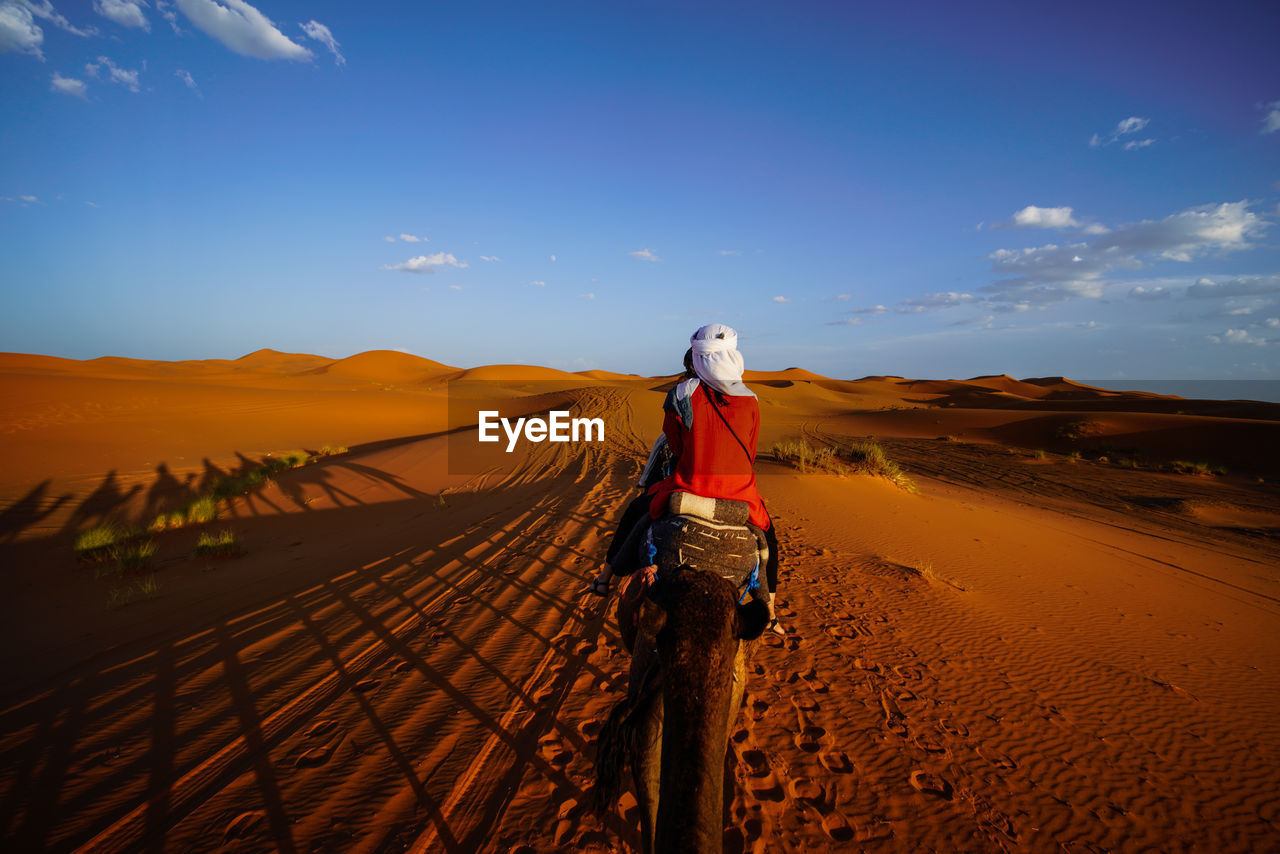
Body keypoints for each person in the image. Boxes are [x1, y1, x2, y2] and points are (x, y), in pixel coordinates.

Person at [591, 323, 783, 633]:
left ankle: (604, 578)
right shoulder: (752, 399)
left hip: (689, 485)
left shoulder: (682, 392)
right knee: (768, 542)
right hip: (740, 494)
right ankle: (771, 608)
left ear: (698, 358)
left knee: (638, 515)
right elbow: (749, 450)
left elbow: (675, 444)